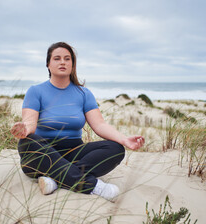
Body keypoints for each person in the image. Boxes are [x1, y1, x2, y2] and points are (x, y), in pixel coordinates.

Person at [10, 42, 144, 202]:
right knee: (27, 142)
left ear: (73, 64)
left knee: (115, 148)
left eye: (67, 59)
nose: (62, 62)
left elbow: (99, 125)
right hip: (43, 154)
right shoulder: (36, 91)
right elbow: (30, 122)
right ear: (48, 64)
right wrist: (24, 129)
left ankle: (55, 179)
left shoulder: (83, 93)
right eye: (57, 58)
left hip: (74, 152)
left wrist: (123, 139)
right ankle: (94, 186)